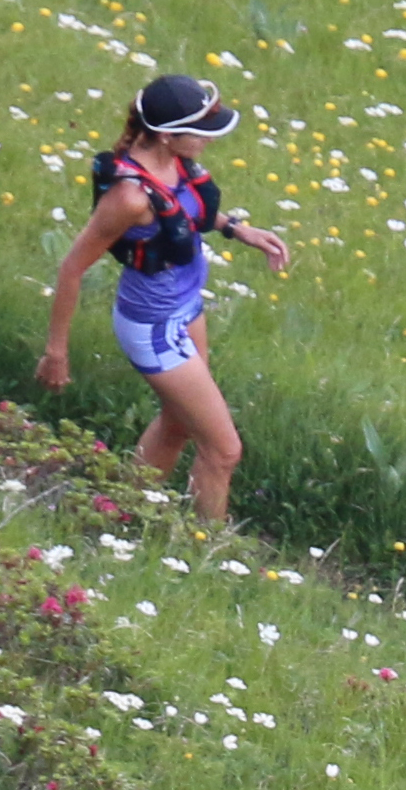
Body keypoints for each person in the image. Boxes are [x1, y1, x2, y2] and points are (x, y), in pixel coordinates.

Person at [36, 74, 290, 524]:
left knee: (178, 423)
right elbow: (72, 267)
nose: (208, 141)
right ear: (168, 134)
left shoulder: (172, 162)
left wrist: (239, 229)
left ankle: (118, 515)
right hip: (153, 327)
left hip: (186, 308)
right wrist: (56, 352)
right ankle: (208, 552)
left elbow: (188, 209)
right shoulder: (129, 198)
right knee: (224, 450)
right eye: (202, 131)